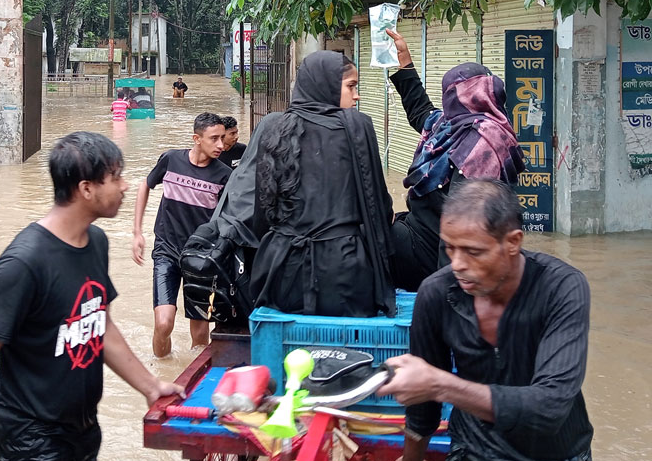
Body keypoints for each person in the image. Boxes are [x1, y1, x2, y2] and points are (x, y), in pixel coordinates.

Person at [0, 132, 183, 461]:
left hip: (82, 429)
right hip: (27, 437)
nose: (126, 186)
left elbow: (99, 324)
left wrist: (151, 386)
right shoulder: (24, 263)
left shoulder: (96, 242)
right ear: (86, 188)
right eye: (116, 177)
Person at [378, 180, 594, 461]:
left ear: (513, 243)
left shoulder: (562, 288)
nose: (458, 264)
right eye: (450, 248)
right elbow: (423, 403)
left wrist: (441, 384)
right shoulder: (437, 293)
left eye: (473, 252)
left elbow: (549, 408)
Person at [215, 51, 398, 317]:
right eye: (351, 86)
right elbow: (377, 204)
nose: (356, 95)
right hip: (344, 269)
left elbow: (263, 207)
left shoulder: (272, 126)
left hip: (281, 267)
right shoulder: (358, 126)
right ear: (327, 84)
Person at [384, 28, 525, 291]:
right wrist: (405, 62)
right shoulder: (452, 127)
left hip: (437, 255)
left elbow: (463, 224)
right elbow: (421, 112)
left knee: (366, 241)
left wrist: (443, 291)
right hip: (420, 232)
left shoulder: (482, 146)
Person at [132, 112, 231, 357]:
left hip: (202, 258)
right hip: (167, 250)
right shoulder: (171, 160)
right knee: (163, 323)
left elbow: (227, 221)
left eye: (223, 138)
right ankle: (161, 371)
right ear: (196, 138)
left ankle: (190, 379)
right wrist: (137, 232)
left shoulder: (224, 175)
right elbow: (145, 185)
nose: (221, 145)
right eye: (214, 138)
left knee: (199, 334)